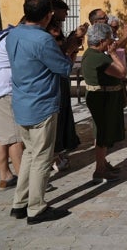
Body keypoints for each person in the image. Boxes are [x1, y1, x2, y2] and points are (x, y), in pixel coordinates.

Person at [6, 0, 72, 224]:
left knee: (30, 155)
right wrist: (70, 50)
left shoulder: (13, 33)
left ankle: (20, 203)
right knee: (42, 158)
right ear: (48, 16)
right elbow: (63, 68)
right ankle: (36, 207)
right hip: (41, 103)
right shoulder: (43, 40)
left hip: (22, 101)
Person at [81, 23, 127, 182]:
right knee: (102, 134)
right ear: (101, 41)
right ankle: (99, 170)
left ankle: (103, 163)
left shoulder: (91, 54)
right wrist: (114, 54)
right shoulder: (99, 58)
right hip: (102, 99)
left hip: (103, 97)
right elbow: (121, 72)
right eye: (109, 39)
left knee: (103, 133)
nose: (110, 42)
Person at [45, 19, 80, 173]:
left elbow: (68, 66)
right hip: (51, 89)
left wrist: (73, 50)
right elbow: (63, 66)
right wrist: (69, 49)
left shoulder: (58, 42)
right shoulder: (46, 44)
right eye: (55, 27)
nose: (58, 29)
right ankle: (53, 159)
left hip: (62, 84)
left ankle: (58, 155)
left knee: (62, 121)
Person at [0, 25, 23, 191]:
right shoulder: (14, 37)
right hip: (5, 91)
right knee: (15, 138)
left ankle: (5, 176)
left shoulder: (4, 34)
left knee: (1, 137)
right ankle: (26, 183)